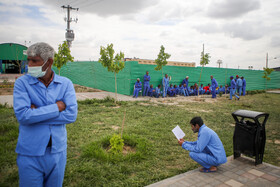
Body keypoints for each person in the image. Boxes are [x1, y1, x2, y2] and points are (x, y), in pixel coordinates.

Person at [13, 42, 78, 186]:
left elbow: (71, 115)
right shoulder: (22, 83)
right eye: (28, 60)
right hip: (30, 152)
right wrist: (56, 107)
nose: (29, 64)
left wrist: (36, 113)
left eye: (35, 61)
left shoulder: (66, 84)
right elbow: (23, 116)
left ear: (49, 62)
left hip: (57, 152)